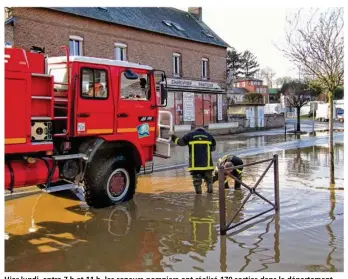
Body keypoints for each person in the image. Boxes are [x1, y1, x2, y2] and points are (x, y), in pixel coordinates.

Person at [168, 125, 216, 194]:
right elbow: (213, 149)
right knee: (209, 181)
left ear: (195, 130)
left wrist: (172, 136)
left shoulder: (190, 136)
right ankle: (210, 194)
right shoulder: (209, 136)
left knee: (197, 182)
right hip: (207, 165)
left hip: (195, 166)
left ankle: (198, 196)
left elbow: (180, 142)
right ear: (203, 130)